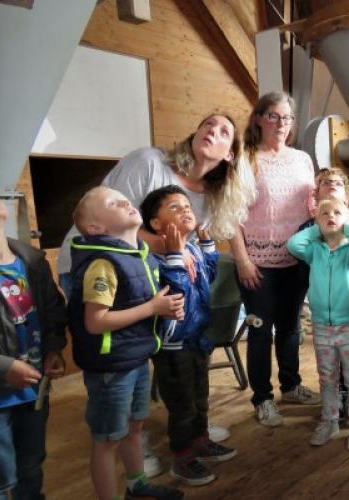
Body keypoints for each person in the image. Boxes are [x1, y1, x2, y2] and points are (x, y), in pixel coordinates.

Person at [56, 113, 253, 470]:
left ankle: (190, 434)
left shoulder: (210, 195)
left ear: (230, 155)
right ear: (195, 133)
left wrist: (198, 252)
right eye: (208, 124)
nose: (213, 130)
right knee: (121, 363)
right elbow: (109, 223)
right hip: (97, 268)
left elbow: (192, 256)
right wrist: (170, 250)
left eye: (224, 131)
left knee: (164, 362)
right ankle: (136, 441)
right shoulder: (149, 163)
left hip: (147, 276)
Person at [67, 187, 185, 500]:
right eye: (112, 203)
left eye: (124, 199)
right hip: (111, 367)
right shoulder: (103, 263)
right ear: (96, 228)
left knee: (135, 429)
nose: (124, 202)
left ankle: (137, 485)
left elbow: (145, 303)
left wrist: (167, 307)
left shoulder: (137, 256)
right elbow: (96, 321)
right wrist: (152, 309)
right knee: (107, 440)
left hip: (135, 358)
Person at [229, 91, 321, 427]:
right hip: (257, 262)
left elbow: (311, 207)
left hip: (296, 259)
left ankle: (292, 384)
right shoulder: (245, 158)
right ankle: (263, 398)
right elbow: (230, 216)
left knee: (291, 327)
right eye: (273, 116)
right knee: (259, 331)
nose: (280, 124)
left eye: (286, 118)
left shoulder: (302, 160)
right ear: (258, 118)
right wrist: (242, 261)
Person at [139, 186, 236, 486]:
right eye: (174, 207)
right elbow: (177, 292)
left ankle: (201, 440)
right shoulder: (156, 257)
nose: (185, 210)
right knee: (182, 404)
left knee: (200, 396)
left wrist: (207, 247)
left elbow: (208, 274)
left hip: (198, 337)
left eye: (186, 205)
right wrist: (173, 255)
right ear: (155, 224)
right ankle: (181, 458)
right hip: (173, 343)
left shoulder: (191, 247)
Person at [0, 188, 67, 500]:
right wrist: (3, 366)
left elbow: (52, 311)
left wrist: (53, 349)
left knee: (31, 466)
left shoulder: (31, 259)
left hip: (33, 388)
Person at [287, 198, 349, 450]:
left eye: (336, 213)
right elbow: (293, 244)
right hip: (322, 326)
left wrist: (345, 225)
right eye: (324, 213)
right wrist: (318, 226)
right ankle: (330, 420)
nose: (330, 216)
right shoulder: (314, 251)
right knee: (327, 377)